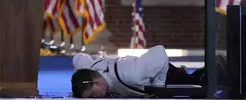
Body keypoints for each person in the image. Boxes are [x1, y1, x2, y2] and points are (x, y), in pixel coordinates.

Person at [71, 45, 228, 98]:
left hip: (163, 76)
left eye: (92, 95)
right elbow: (78, 58)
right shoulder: (89, 70)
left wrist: (159, 89)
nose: (93, 99)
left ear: (98, 82)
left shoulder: (131, 74)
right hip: (147, 72)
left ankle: (217, 66)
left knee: (198, 86)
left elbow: (159, 52)